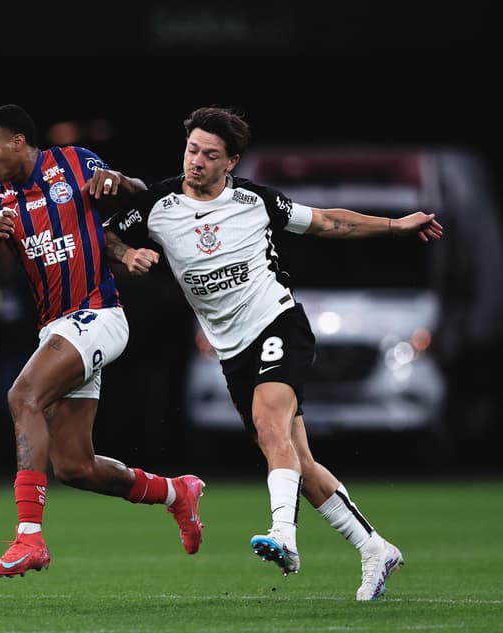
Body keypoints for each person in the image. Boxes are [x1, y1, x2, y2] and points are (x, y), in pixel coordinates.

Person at [98, 105, 443, 601]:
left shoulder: (255, 201)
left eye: (209, 154)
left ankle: (284, 536)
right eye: (192, 149)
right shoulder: (157, 205)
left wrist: (394, 226)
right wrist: (126, 253)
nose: (196, 161)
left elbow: (326, 221)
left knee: (268, 426)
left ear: (231, 161)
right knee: (297, 460)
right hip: (231, 350)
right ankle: (375, 549)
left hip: (278, 322)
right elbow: (105, 235)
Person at [0, 103, 205, 578]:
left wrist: (118, 181)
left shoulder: (73, 162)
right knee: (75, 467)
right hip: (55, 328)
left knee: (23, 396)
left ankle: (29, 538)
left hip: (98, 314)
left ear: (18, 141)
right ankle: (175, 492)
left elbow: (141, 196)